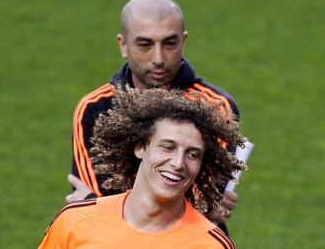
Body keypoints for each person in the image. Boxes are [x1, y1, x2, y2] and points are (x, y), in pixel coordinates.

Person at [67, 0, 241, 228]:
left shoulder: (216, 108)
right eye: (145, 44)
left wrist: (101, 205)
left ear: (184, 41)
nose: (158, 58)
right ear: (123, 45)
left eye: (169, 43)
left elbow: (202, 207)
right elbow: (93, 211)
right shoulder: (94, 109)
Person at [39, 88, 245, 248]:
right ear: (140, 147)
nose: (177, 163)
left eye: (193, 154)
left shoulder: (211, 245)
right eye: (167, 147)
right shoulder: (75, 222)